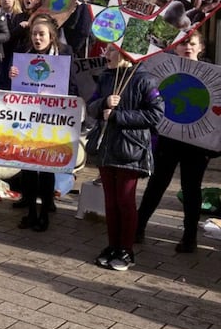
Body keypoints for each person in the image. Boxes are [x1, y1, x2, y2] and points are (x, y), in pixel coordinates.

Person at [136, 33, 215, 252]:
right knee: (157, 182)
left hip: (198, 142)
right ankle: (139, 226)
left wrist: (214, 146)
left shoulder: (212, 75)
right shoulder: (165, 69)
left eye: (192, 43)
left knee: (191, 188)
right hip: (168, 138)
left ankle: (190, 238)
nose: (187, 47)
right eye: (183, 43)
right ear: (176, 47)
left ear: (200, 47)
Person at [87, 44, 163, 270]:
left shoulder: (145, 79)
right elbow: (91, 105)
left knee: (125, 201)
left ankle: (126, 250)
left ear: (125, 54)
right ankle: (112, 246)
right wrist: (103, 103)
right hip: (106, 147)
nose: (105, 54)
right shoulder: (105, 77)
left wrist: (119, 115)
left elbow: (155, 113)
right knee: (110, 202)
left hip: (131, 149)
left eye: (111, 51)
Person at [8, 15, 75, 231]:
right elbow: (9, 83)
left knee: (45, 165)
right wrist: (11, 74)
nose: (37, 38)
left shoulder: (64, 53)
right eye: (34, 34)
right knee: (27, 164)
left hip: (51, 117)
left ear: (51, 36)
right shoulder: (24, 54)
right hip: (28, 118)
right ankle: (30, 210)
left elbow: (73, 85)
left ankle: (45, 209)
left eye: (41, 34)